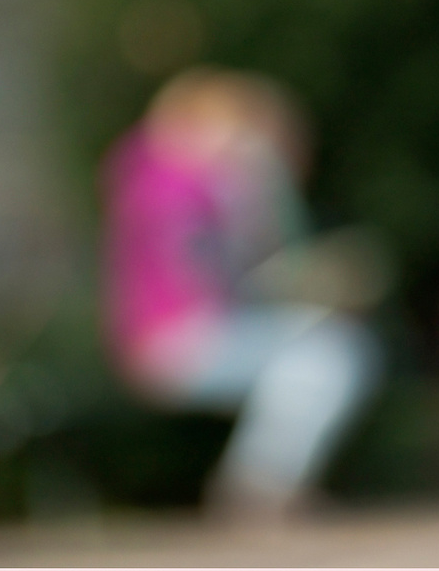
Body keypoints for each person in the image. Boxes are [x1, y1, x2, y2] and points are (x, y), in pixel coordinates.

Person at [99, 67, 386, 516]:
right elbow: (210, 267)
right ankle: (260, 487)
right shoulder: (177, 183)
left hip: (178, 338)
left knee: (318, 356)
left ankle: (262, 485)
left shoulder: (172, 181)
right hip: (179, 341)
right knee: (331, 354)